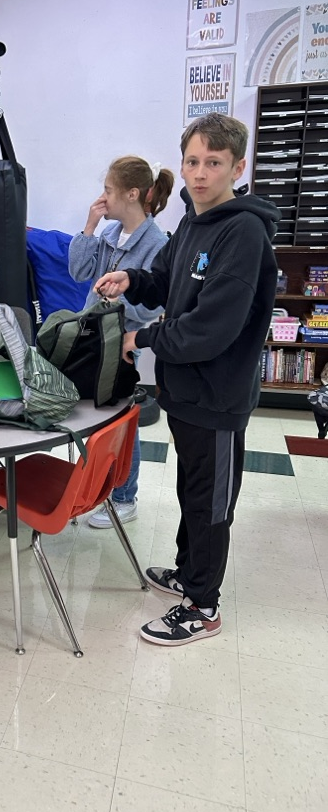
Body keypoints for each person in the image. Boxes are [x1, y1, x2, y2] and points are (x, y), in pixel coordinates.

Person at [95, 113, 279, 646]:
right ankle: (188, 573)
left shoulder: (243, 232)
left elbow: (211, 328)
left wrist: (144, 339)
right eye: (192, 161)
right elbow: (164, 283)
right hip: (184, 393)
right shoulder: (193, 223)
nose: (200, 173)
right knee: (192, 491)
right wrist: (131, 279)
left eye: (213, 163)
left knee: (211, 503)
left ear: (237, 168)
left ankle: (204, 605)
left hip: (217, 396)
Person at [69, 156, 173, 527]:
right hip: (91, 336)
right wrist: (89, 227)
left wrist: (116, 302)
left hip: (122, 342)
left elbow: (154, 305)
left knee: (120, 422)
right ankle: (94, 490)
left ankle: (125, 498)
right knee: (95, 417)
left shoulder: (157, 243)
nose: (103, 197)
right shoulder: (110, 233)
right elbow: (78, 272)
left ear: (132, 194)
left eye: (108, 190)